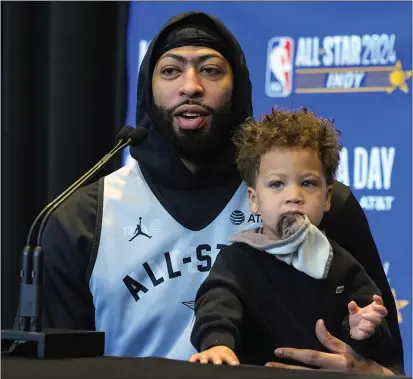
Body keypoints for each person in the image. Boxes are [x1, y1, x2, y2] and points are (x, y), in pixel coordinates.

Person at [37, 11, 403, 374]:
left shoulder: (323, 206)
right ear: (148, 88)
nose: (191, 86)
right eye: (170, 70)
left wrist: (366, 372)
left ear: (239, 86)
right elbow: (56, 369)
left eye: (210, 70)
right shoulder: (83, 220)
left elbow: (389, 363)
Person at [189, 107, 395, 369]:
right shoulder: (237, 260)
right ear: (254, 200)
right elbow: (216, 305)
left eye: (308, 183)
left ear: (328, 198)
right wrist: (217, 343)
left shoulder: (341, 265)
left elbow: (373, 338)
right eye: (277, 184)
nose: (294, 196)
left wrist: (362, 330)